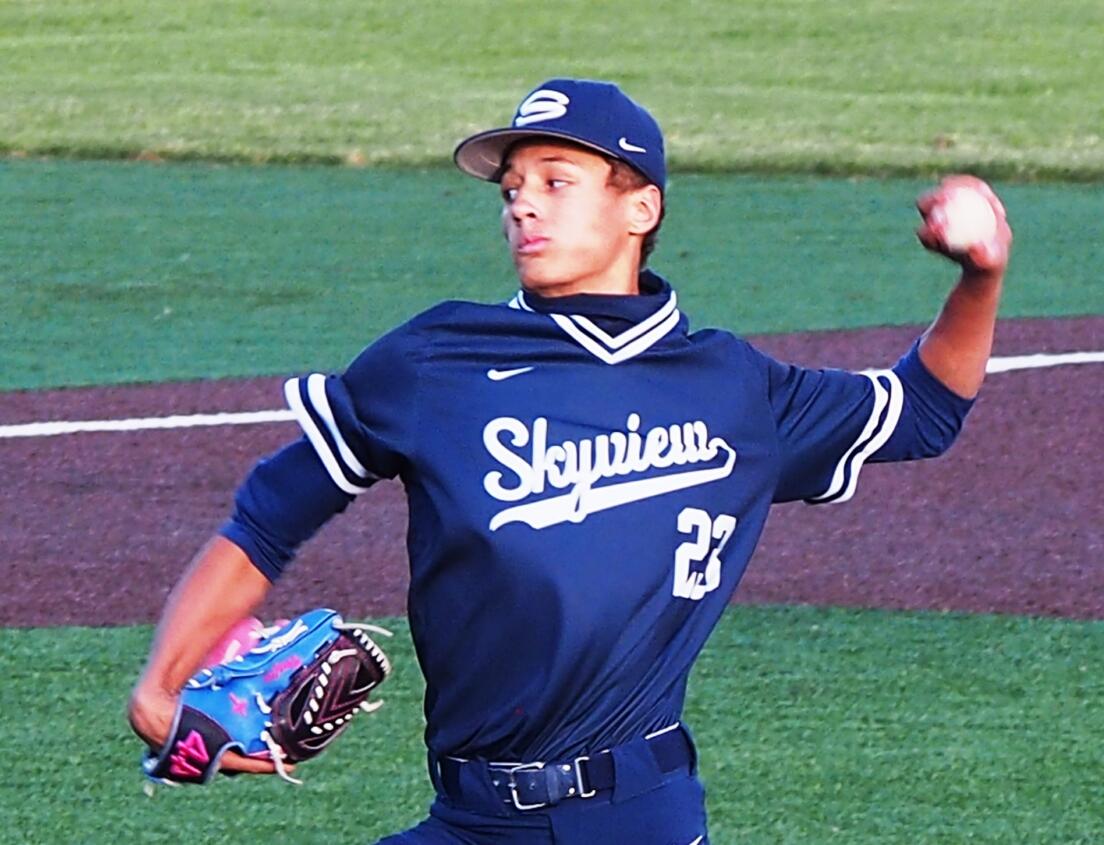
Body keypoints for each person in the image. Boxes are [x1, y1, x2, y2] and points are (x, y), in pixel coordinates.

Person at [129, 77, 1011, 843]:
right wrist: (161, 685)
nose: (524, 203)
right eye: (513, 186)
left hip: (638, 815)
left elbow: (925, 410)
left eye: (557, 180)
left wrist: (979, 276)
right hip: (471, 819)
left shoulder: (732, 388)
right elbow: (268, 514)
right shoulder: (436, 360)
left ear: (641, 208)